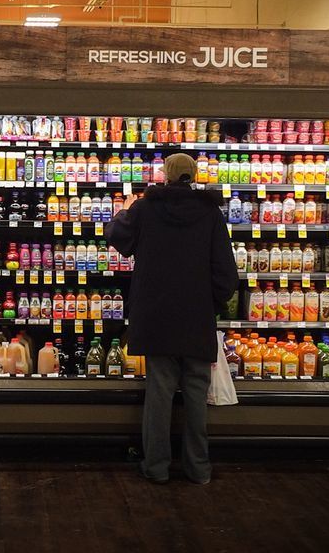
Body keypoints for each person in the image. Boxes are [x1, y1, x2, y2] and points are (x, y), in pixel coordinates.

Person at [107, 152, 239, 485]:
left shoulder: (146, 207)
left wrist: (125, 205)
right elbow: (226, 271)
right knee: (196, 394)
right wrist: (214, 302)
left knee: (159, 393)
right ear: (194, 176)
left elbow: (117, 235)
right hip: (196, 317)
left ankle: (156, 467)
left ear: (165, 175)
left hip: (156, 315)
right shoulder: (210, 212)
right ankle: (198, 468)